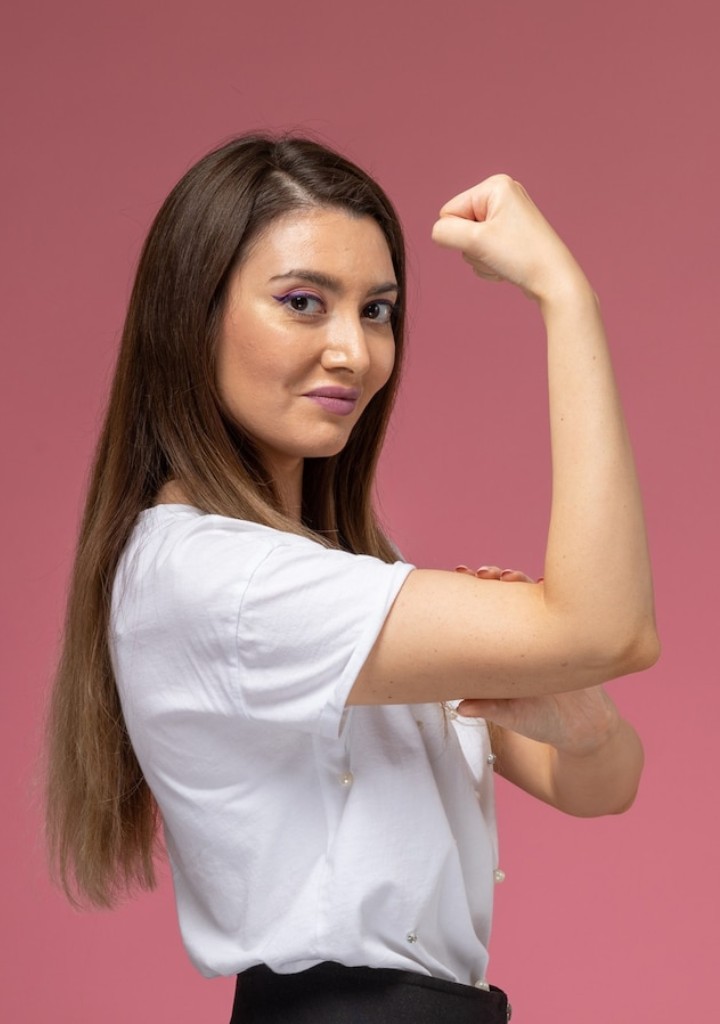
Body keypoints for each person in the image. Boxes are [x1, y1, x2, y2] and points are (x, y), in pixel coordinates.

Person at [45, 133, 659, 1023]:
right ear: (191, 315)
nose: (354, 352)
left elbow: (601, 785)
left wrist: (583, 720)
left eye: (376, 311)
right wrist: (566, 298)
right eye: (303, 302)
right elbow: (609, 630)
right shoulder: (222, 583)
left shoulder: (332, 580)